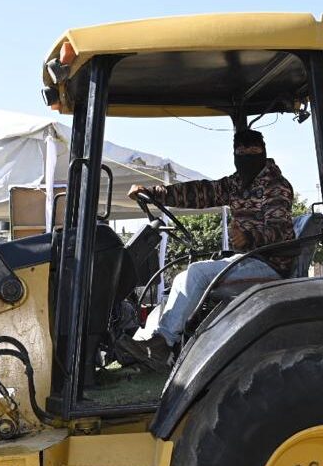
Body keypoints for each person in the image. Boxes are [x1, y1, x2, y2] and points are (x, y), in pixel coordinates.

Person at [120, 129, 294, 370]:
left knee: (197, 274)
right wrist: (152, 192)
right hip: (246, 259)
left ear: (262, 152)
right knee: (181, 280)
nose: (244, 157)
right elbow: (199, 193)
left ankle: (163, 345)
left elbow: (282, 232)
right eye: (239, 152)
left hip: (270, 264)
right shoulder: (237, 184)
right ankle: (149, 344)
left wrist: (250, 237)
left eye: (250, 152)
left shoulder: (276, 187)